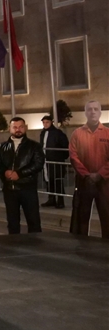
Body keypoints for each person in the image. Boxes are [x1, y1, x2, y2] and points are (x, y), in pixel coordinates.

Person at [0, 117, 45, 234]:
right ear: (9, 128)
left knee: (33, 221)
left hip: (28, 188)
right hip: (9, 189)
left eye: (21, 127)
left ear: (25, 128)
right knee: (12, 222)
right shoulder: (3, 147)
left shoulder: (34, 146)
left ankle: (36, 245)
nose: (18, 130)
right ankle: (14, 246)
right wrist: (4, 172)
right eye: (15, 127)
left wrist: (19, 174)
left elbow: (38, 164)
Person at [68, 101, 109, 237]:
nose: (93, 112)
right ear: (85, 112)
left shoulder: (108, 133)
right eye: (90, 109)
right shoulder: (77, 134)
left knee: (107, 218)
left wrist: (100, 175)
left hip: (105, 183)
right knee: (81, 218)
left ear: (100, 112)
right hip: (84, 183)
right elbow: (73, 157)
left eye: (96, 109)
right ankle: (81, 249)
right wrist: (86, 175)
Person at [39, 115, 69, 208]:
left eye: (47, 122)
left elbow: (64, 146)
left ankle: (60, 201)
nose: (45, 124)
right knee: (48, 180)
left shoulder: (58, 133)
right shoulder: (43, 133)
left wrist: (61, 157)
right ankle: (51, 199)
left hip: (56, 161)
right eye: (43, 122)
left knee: (57, 181)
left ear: (51, 122)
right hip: (46, 161)